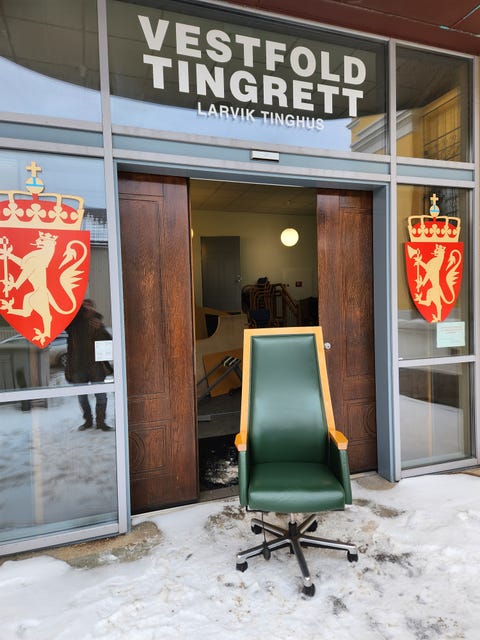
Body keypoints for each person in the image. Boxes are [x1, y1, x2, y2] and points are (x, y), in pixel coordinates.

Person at [65, 298, 114, 431]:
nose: (87, 308)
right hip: (77, 366)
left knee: (101, 396)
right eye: (84, 306)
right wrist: (78, 313)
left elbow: (108, 342)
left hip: (95, 366)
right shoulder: (73, 323)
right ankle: (88, 421)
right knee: (82, 397)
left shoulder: (97, 323)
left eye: (89, 306)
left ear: (93, 308)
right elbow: (66, 327)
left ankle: (101, 422)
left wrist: (100, 329)